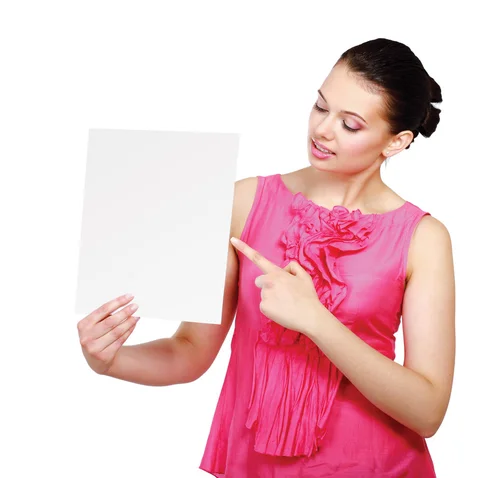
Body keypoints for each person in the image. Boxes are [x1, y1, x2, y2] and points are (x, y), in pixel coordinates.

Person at [77, 38, 456, 477]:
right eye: (320, 106)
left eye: (350, 125)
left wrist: (316, 320)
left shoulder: (422, 238)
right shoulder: (245, 202)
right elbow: (189, 352)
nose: (322, 130)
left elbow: (428, 411)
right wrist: (110, 361)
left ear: (397, 141)